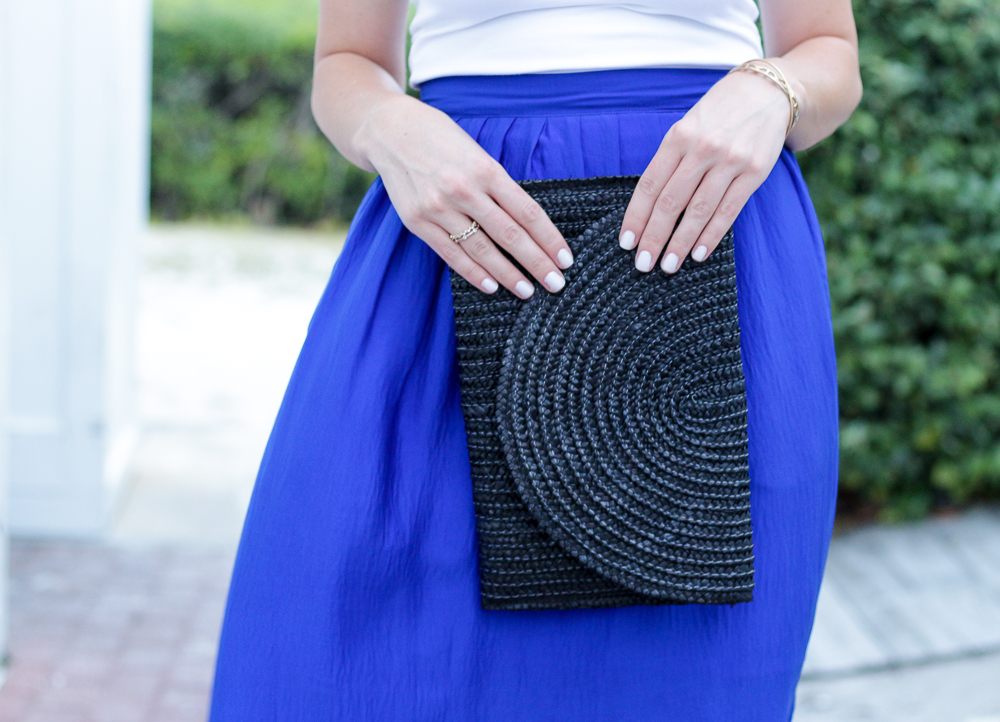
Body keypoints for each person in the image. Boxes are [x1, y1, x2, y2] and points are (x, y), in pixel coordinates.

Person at [208, 0, 862, 719]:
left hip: (707, 256)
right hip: (456, 240)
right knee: (334, 656)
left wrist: (773, 90)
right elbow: (345, 65)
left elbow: (829, 53)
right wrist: (387, 123)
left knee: (685, 685)